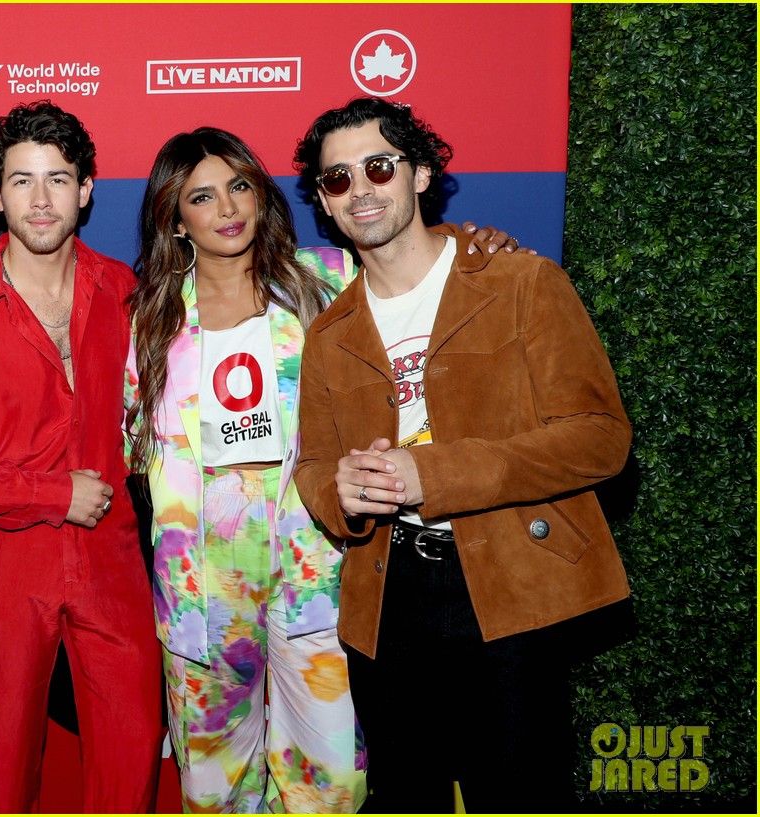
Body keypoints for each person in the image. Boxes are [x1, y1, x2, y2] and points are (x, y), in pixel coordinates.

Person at [123, 127, 522, 813]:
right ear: (175, 217)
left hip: (316, 554)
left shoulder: (327, 279)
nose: (227, 208)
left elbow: (414, 269)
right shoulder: (151, 320)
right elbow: (135, 449)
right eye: (202, 196)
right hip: (203, 577)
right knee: (215, 783)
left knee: (335, 779)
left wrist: (477, 247)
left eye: (240, 185)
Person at [292, 97, 632, 812]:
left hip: (508, 586)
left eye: (379, 167)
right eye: (337, 179)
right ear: (323, 203)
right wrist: (340, 490)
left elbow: (600, 436)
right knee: (404, 794)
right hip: (385, 601)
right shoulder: (329, 333)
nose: (361, 189)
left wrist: (435, 472)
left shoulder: (521, 284)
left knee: (519, 793)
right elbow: (315, 464)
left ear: (419, 174)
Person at [0, 100, 161, 813]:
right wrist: (50, 493)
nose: (40, 201)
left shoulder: (128, 294)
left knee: (134, 754)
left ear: (87, 189)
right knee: (6, 771)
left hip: (115, 561)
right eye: (21, 181)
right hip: (8, 566)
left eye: (57, 179)